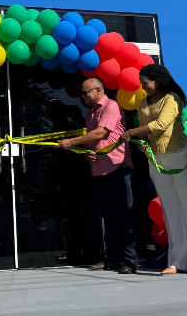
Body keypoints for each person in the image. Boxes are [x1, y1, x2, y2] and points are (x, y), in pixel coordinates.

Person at [122, 64, 187, 276]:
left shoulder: (172, 97)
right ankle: (177, 261)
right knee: (170, 211)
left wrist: (132, 132)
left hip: (182, 157)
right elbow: (146, 132)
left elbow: (161, 124)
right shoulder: (143, 103)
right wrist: (140, 142)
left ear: (158, 80)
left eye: (145, 83)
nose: (143, 88)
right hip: (157, 161)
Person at [57, 78, 139, 274]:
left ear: (99, 90)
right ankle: (112, 258)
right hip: (99, 171)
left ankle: (131, 259)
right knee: (108, 217)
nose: (83, 97)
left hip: (118, 167)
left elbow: (100, 134)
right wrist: (85, 152)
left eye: (86, 93)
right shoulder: (90, 114)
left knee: (125, 215)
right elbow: (90, 139)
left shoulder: (111, 107)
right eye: (82, 94)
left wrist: (71, 142)